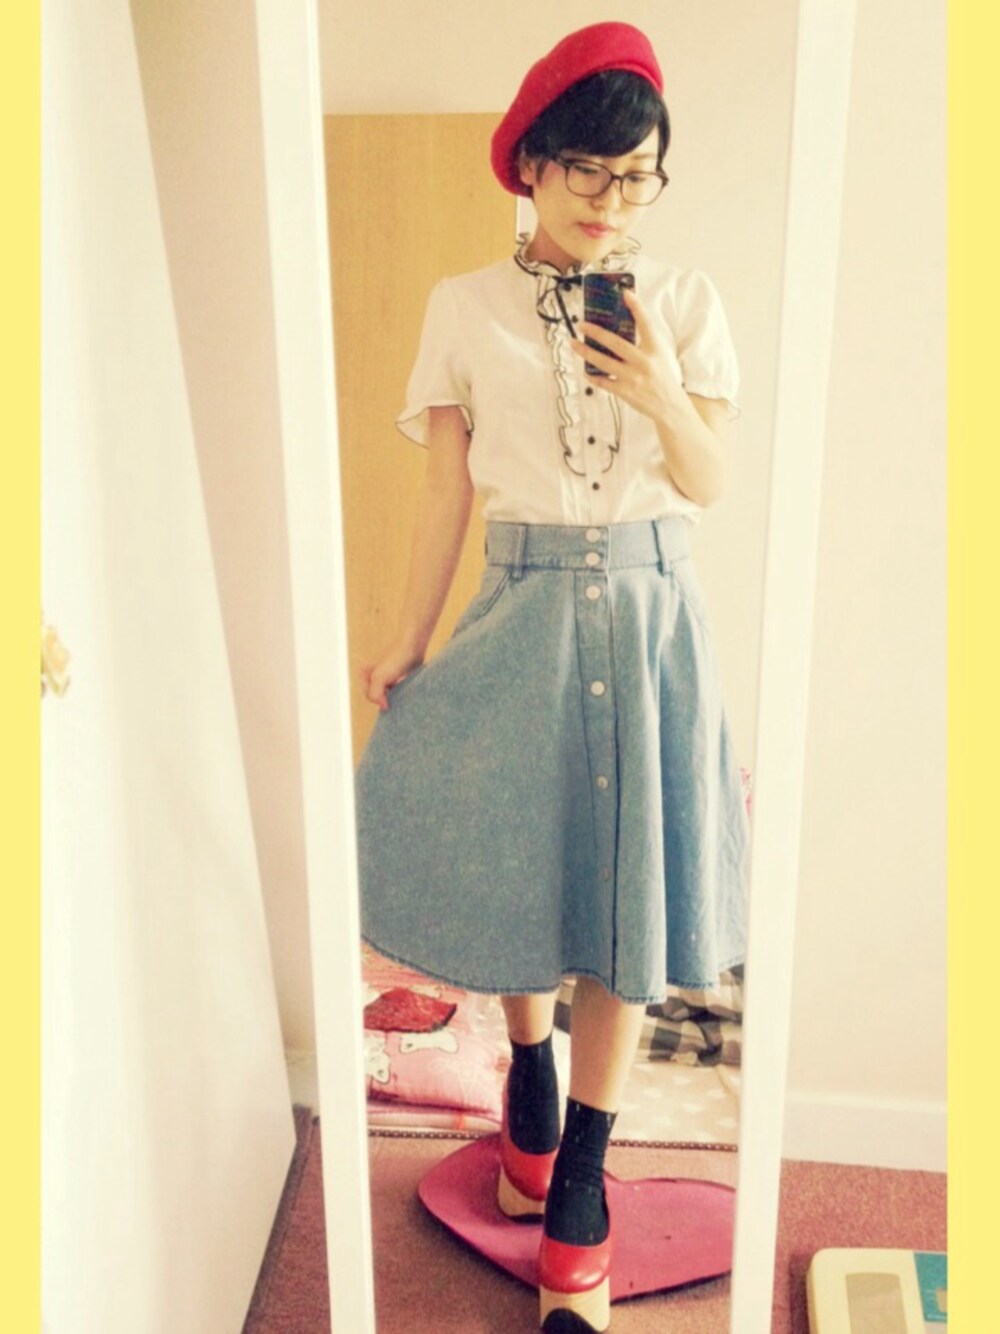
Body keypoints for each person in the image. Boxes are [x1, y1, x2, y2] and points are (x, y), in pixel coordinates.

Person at [354, 22, 748, 1333]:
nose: (611, 199)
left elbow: (708, 481)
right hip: (519, 602)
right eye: (588, 168)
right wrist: (408, 638)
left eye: (636, 176)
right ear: (529, 162)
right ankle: (527, 1063)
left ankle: (580, 1169)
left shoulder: (683, 301)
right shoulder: (461, 306)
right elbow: (444, 495)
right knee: (514, 856)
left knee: (625, 898)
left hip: (649, 612)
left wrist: (661, 390)